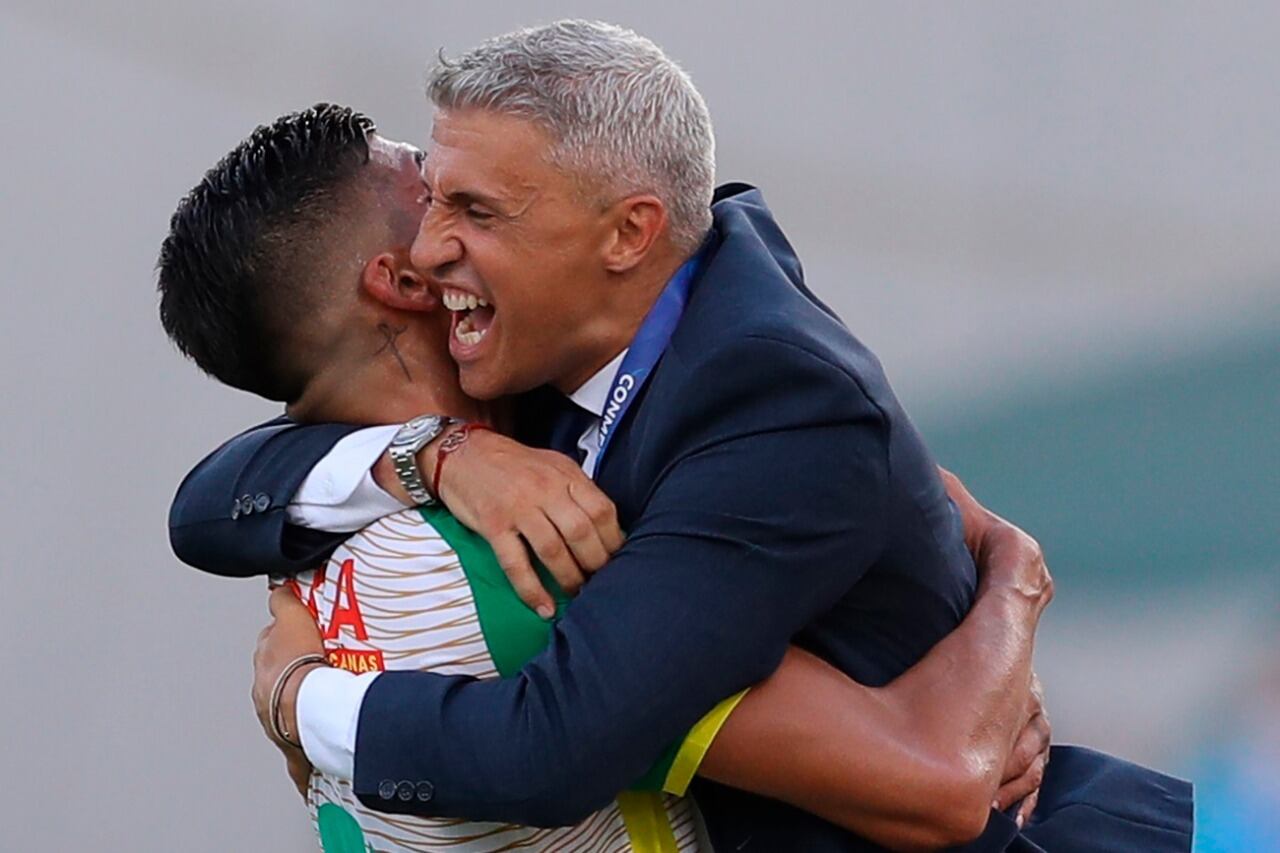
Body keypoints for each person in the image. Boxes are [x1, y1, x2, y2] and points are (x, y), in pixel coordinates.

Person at [164, 20, 1192, 852]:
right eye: (431, 202)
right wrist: (1009, 587)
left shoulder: (753, 404)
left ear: (630, 230)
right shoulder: (489, 513)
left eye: (470, 208)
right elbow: (935, 773)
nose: (435, 246)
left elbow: (936, 786)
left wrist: (304, 696)